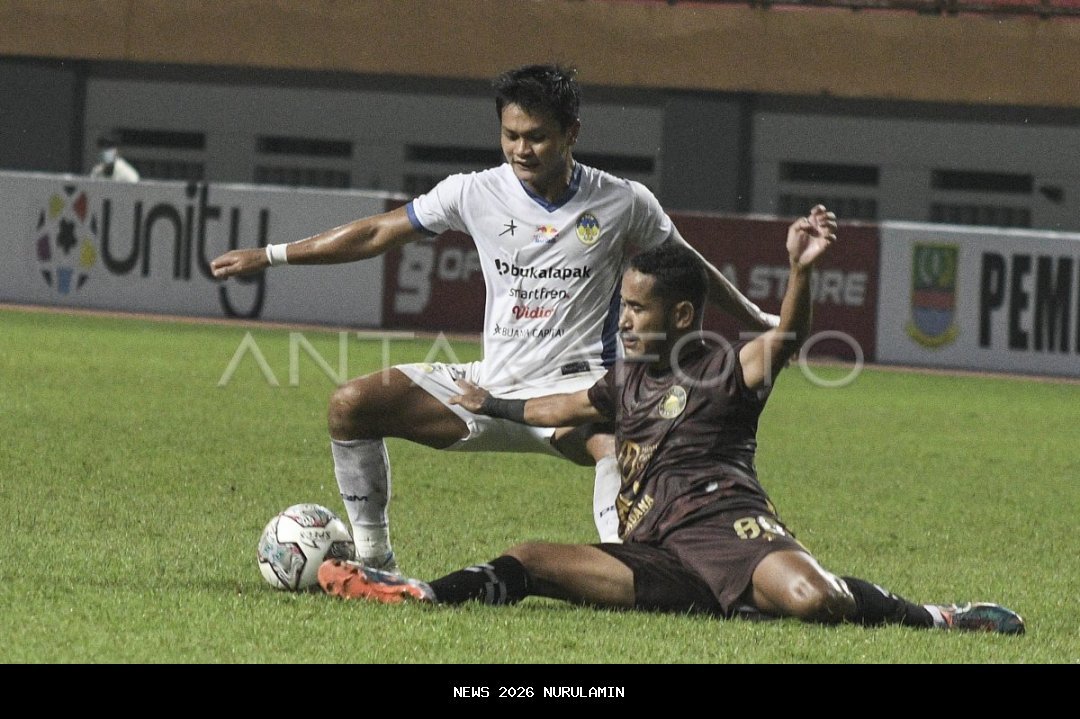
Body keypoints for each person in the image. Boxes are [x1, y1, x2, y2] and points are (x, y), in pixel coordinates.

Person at [316, 205, 1026, 635]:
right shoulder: (622, 380)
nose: (623, 320)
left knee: (817, 601)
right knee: (532, 559)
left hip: (728, 532)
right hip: (651, 548)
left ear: (681, 314)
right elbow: (547, 408)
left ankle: (941, 616)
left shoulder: (728, 367)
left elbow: (787, 339)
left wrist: (800, 274)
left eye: (636, 309)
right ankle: (419, 594)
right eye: (621, 307)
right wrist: (486, 403)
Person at [210, 64, 777, 569]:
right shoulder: (473, 192)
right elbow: (379, 231)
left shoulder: (622, 201)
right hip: (489, 387)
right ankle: (374, 557)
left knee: (616, 446)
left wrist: (757, 317)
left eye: (537, 137)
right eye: (510, 135)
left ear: (571, 133)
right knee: (351, 406)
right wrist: (271, 254)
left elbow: (689, 269)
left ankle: (626, 569)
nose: (521, 149)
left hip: (578, 393)